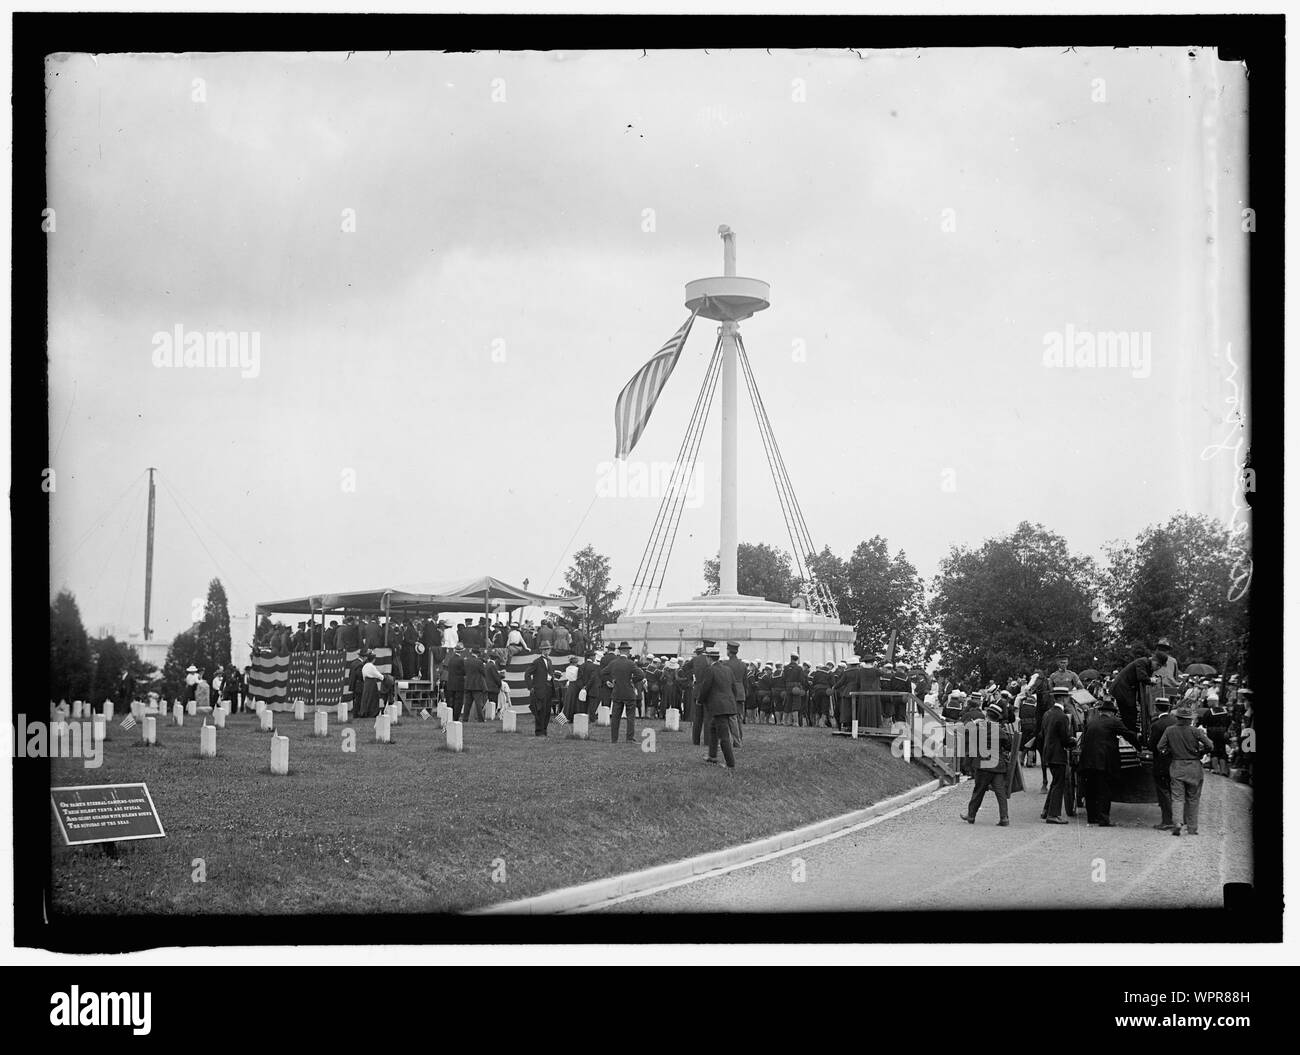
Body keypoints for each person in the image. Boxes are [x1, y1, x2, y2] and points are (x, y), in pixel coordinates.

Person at [1077, 698, 1141, 826]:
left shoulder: (1091, 722)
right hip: (1103, 761)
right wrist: (1139, 747)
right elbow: (1128, 735)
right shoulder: (1114, 722)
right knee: (1104, 790)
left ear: (1101, 712)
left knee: (1091, 790)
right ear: (1112, 713)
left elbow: (1083, 740)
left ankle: (1092, 817)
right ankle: (1103, 819)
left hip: (1087, 761)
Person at [1157, 704, 1215, 836]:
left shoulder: (1169, 730)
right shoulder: (1195, 731)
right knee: (1193, 797)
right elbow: (1210, 745)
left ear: (1177, 718)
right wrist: (1200, 753)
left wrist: (1170, 753)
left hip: (1177, 765)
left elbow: (1160, 747)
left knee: (1177, 797)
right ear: (1190, 719)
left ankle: (1177, 823)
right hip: (1194, 766)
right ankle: (1192, 827)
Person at [959, 701, 1012, 826]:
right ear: (997, 717)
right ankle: (1004, 817)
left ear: (987, 714)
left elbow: (964, 729)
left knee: (978, 791)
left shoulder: (979, 727)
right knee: (1000, 793)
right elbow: (1008, 746)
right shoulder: (1001, 731)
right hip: (998, 765)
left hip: (983, 765)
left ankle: (971, 816)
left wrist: (974, 722)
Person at [694, 647, 738, 769]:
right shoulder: (728, 669)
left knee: (723, 736)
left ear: (709, 658)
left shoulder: (710, 670)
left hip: (718, 707)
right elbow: (734, 687)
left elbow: (705, 687)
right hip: (728, 704)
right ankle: (712, 756)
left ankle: (730, 764)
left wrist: (700, 700)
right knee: (713, 728)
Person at [1039, 690, 1074, 824]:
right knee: (1059, 784)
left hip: (1048, 752)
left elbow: (1042, 734)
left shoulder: (1047, 714)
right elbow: (1065, 739)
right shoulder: (1062, 717)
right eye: (1067, 698)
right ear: (1063, 699)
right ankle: (1053, 815)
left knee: (1055, 782)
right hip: (1058, 754)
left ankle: (1046, 810)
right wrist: (1073, 741)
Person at [604, 641, 645, 743]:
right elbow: (641, 675)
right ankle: (629, 738)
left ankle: (614, 739)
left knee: (615, 717)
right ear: (627, 651)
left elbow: (603, 672)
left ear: (620, 651)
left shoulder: (613, 663)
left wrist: (610, 680)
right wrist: (632, 681)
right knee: (630, 717)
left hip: (617, 692)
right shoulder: (630, 663)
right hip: (628, 693)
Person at [1147, 698, 1177, 830]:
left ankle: (1167, 820)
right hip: (1176, 762)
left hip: (1161, 762)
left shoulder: (1157, 725)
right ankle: (1178, 819)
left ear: (1157, 708)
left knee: (1163, 791)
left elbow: (1152, 746)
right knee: (1173, 791)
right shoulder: (1176, 722)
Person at [524, 642, 557, 736]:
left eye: (548, 649)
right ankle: (539, 731)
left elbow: (549, 674)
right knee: (540, 710)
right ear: (542, 650)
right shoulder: (537, 661)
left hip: (549, 688)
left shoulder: (550, 661)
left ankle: (544, 730)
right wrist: (530, 687)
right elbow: (527, 673)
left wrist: (553, 676)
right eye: (545, 649)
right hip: (540, 689)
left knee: (547, 711)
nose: (547, 651)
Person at [689, 641, 715, 745]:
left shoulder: (695, 659)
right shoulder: (712, 661)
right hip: (708, 691)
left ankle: (696, 740)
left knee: (697, 717)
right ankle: (708, 741)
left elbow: (684, 670)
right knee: (707, 717)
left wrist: (693, 680)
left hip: (697, 689)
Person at [723, 642, 747, 746]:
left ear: (729, 651)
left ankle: (734, 740)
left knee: (730, 718)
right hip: (741, 693)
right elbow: (745, 681)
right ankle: (739, 738)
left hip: (730, 692)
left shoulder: (726, 664)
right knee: (738, 718)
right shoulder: (742, 664)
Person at [461, 647, 488, 722]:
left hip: (468, 684)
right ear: (478, 654)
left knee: (467, 704)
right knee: (478, 704)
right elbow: (483, 673)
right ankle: (481, 719)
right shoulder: (479, 662)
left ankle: (465, 718)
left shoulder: (466, 661)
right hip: (477, 685)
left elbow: (464, 672)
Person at [357, 650, 384, 719]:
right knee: (373, 698)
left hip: (366, 682)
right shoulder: (371, 666)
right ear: (373, 659)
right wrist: (383, 678)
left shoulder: (365, 666)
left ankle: (364, 711)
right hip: (371, 683)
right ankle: (372, 712)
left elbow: (363, 676)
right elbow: (378, 675)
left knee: (366, 697)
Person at [782, 653, 806, 727]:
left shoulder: (786, 667)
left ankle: (785, 721)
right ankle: (795, 722)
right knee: (796, 705)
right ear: (797, 659)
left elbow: (783, 678)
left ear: (791, 658)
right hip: (796, 688)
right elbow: (802, 679)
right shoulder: (799, 668)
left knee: (787, 704)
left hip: (788, 687)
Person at [446, 645, 467, 722]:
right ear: (461, 651)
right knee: (458, 702)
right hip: (459, 684)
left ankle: (450, 716)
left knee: (452, 701)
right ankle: (456, 718)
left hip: (451, 683)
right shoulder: (461, 660)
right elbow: (464, 671)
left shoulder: (451, 659)